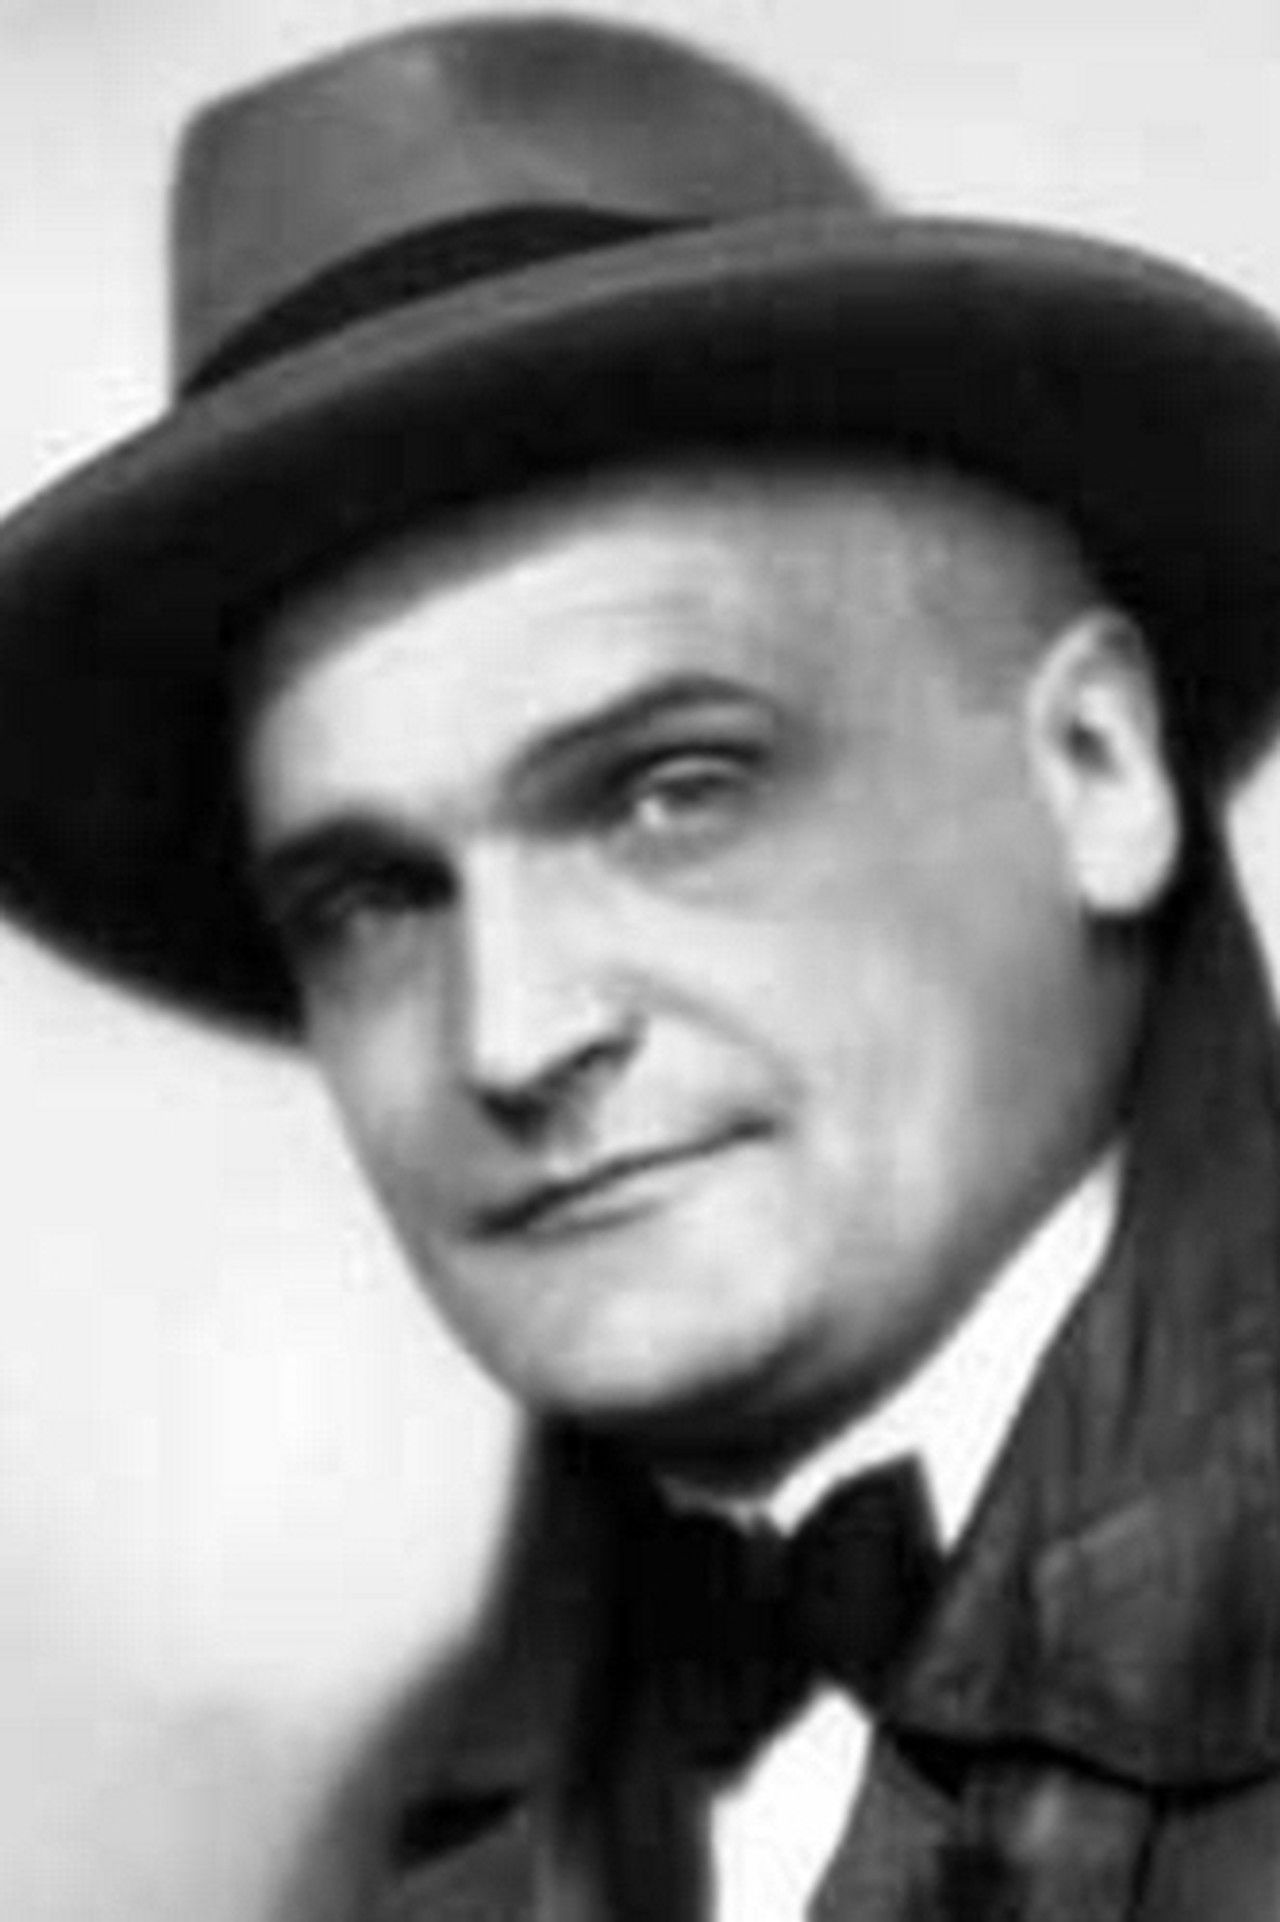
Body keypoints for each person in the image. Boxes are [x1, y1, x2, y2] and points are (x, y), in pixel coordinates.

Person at [2, 14, 1280, 1920]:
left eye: (673, 793)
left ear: (1093, 769)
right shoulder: (368, 1843)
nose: (515, 1035)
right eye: (370, 899)